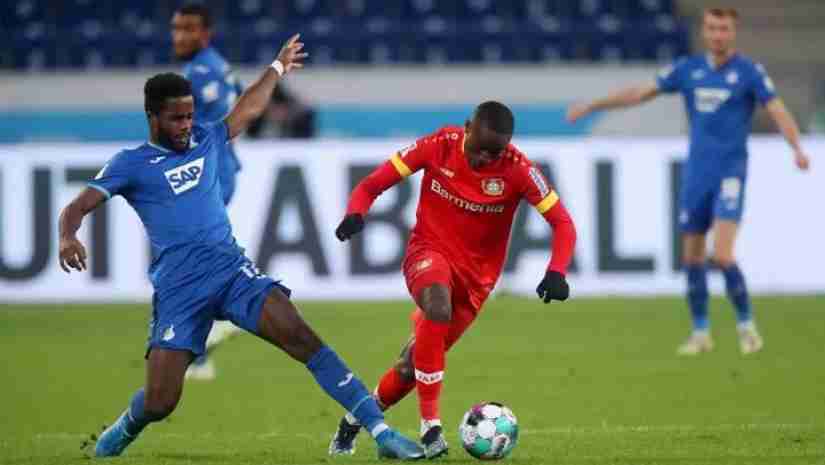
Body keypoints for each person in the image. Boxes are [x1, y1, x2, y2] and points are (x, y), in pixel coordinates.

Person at [58, 35, 423, 460]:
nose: (186, 125)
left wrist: (278, 68)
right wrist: (67, 235)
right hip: (180, 290)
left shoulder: (207, 138)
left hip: (232, 274)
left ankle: (382, 433)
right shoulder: (131, 163)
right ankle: (127, 424)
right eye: (176, 119)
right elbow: (77, 206)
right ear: (152, 117)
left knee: (302, 337)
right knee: (160, 402)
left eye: (190, 116)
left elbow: (247, 108)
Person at [329, 101, 577, 458]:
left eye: (494, 154)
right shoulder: (438, 145)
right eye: (478, 150)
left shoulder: (519, 169)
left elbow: (563, 223)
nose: (483, 160)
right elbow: (371, 185)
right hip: (427, 253)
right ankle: (431, 428)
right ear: (467, 128)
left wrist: (557, 271)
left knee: (411, 366)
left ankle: (352, 422)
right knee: (437, 304)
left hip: (476, 283)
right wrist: (356, 212)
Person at [566, 8, 811, 355]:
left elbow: (777, 109)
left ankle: (746, 327)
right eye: (712, 28)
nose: (718, 35)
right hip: (697, 174)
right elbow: (639, 93)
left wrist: (796, 147)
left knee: (722, 255)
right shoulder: (688, 70)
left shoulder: (749, 72)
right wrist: (593, 105)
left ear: (733, 32)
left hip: (730, 174)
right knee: (692, 258)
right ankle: (701, 333)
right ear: (704, 32)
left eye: (724, 29)